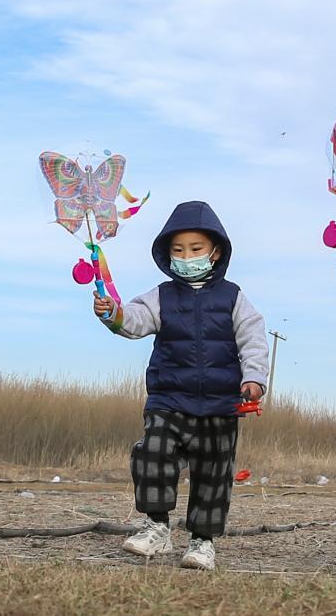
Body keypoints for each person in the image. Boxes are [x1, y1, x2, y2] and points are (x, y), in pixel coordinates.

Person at [94, 200, 269, 570]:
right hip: (168, 399)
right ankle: (156, 527)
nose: (186, 256)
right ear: (167, 255)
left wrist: (254, 378)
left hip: (221, 404)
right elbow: (134, 321)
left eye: (195, 249)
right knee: (151, 453)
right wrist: (114, 313)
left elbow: (253, 338)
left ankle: (202, 541)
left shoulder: (233, 297)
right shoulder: (161, 296)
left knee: (214, 473)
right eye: (178, 250)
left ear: (215, 252)